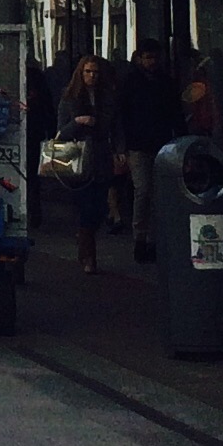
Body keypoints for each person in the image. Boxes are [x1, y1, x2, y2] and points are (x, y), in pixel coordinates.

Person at [116, 41, 184, 265]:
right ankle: (141, 238)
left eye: (155, 57)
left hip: (161, 143)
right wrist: (122, 146)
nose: (152, 62)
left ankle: (153, 239)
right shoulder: (130, 83)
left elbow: (176, 114)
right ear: (140, 58)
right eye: (148, 57)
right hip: (138, 145)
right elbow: (122, 115)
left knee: (155, 193)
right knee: (144, 190)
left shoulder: (166, 83)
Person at [56, 54, 122, 275]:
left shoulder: (108, 97)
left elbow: (116, 126)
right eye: (87, 72)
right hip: (79, 158)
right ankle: (89, 256)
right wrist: (77, 121)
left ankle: (84, 239)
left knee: (101, 207)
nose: (92, 76)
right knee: (86, 206)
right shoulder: (69, 97)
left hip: (101, 156)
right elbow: (61, 132)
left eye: (95, 72)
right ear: (80, 73)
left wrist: (120, 150)